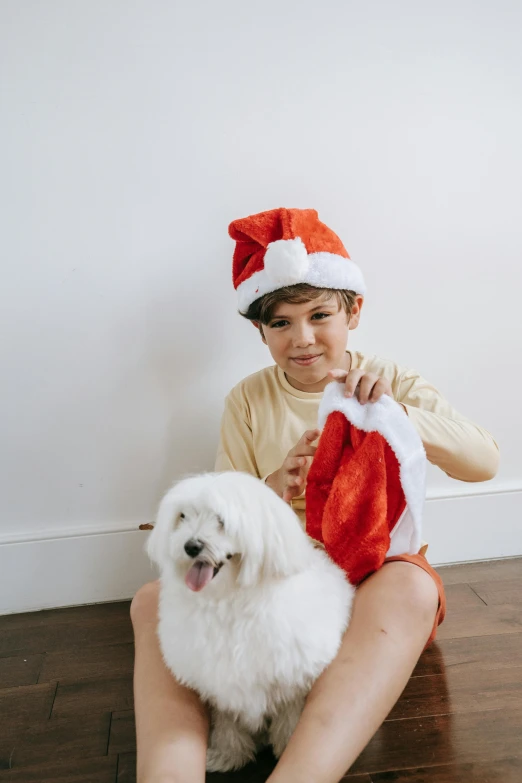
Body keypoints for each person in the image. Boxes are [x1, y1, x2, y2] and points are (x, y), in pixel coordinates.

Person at [131, 208, 499, 783]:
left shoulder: (391, 380)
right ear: (260, 331)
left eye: (319, 315)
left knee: (410, 586)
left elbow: (484, 461)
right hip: (286, 579)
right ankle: (171, 769)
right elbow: (222, 519)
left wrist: (397, 416)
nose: (301, 338)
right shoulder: (247, 401)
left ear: (353, 311)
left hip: (372, 572)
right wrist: (274, 486)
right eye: (280, 324)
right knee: (152, 600)